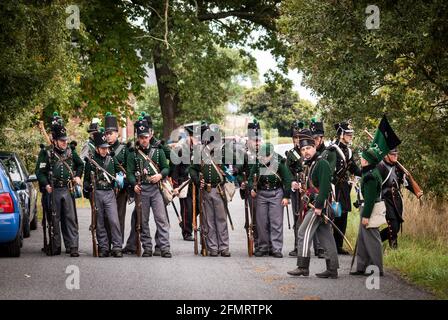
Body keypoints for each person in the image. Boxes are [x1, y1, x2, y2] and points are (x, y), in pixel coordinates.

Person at [287, 129, 339, 278]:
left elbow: (324, 187)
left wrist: (318, 207)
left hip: (318, 205)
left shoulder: (321, 163)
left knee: (303, 232)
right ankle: (332, 268)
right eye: (303, 149)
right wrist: (299, 186)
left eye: (308, 148)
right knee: (325, 236)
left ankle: (302, 267)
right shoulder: (311, 163)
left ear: (315, 147)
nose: (305, 151)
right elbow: (310, 185)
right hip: (315, 204)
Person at [36, 119, 84, 257]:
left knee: (70, 218)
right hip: (54, 190)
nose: (65, 143)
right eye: (62, 140)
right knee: (54, 219)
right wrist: (46, 185)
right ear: (55, 140)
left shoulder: (70, 151)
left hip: (67, 190)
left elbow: (80, 165)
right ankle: (55, 246)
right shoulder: (46, 152)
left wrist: (78, 176)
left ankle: (73, 246)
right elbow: (40, 172)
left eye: (66, 140)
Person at [127, 117, 171, 258]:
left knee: (161, 219)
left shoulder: (158, 151)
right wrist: (134, 184)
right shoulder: (133, 153)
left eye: (145, 137)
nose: (144, 140)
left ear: (150, 136)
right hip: (142, 190)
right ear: (138, 138)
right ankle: (147, 247)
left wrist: (160, 175)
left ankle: (164, 247)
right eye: (141, 137)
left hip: (156, 189)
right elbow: (129, 172)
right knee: (143, 220)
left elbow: (166, 168)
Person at [189, 123, 231, 257]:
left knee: (221, 219)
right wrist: (197, 181)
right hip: (206, 190)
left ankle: (224, 247)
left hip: (219, 189)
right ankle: (212, 247)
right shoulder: (199, 152)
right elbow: (192, 169)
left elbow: (233, 165)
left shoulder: (221, 151)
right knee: (208, 220)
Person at [83, 128, 123, 257]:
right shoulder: (91, 161)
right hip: (97, 193)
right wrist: (88, 188)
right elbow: (86, 180)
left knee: (114, 220)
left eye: (106, 148)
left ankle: (117, 247)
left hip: (109, 192)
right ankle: (104, 247)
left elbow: (120, 171)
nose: (105, 150)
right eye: (102, 148)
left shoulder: (111, 159)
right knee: (99, 222)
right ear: (97, 148)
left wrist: (120, 179)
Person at [249, 143, 292, 258]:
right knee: (261, 222)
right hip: (261, 193)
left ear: (271, 154)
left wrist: (286, 197)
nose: (263, 158)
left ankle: (276, 248)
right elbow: (250, 178)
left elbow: (287, 179)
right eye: (262, 156)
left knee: (276, 222)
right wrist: (251, 188)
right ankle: (263, 247)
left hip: (276, 193)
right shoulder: (258, 162)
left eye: (265, 156)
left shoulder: (280, 162)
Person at [326, 121, 361, 255]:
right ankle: (329, 245)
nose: (350, 136)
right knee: (334, 215)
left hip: (344, 187)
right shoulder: (332, 150)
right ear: (341, 134)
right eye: (348, 134)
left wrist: (367, 171)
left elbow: (354, 169)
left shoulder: (349, 151)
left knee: (343, 215)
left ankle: (338, 245)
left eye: (351, 134)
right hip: (334, 187)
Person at [350, 146, 384, 276]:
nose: (360, 159)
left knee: (372, 240)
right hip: (366, 208)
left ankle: (377, 268)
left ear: (367, 161)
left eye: (362, 158)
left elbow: (370, 199)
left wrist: (366, 216)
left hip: (370, 209)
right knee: (363, 239)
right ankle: (362, 266)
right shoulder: (369, 172)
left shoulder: (370, 176)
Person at [235, 119, 263, 254]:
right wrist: (242, 182)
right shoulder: (244, 154)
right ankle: (258, 244)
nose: (256, 143)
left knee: (266, 219)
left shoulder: (265, 153)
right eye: (254, 140)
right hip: (251, 192)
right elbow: (239, 173)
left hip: (265, 191)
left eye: (258, 140)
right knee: (255, 219)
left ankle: (267, 245)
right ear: (249, 140)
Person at [377, 148, 413, 249]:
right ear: (386, 155)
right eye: (393, 154)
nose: (395, 156)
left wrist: (417, 192)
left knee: (396, 226)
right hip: (385, 199)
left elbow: (405, 183)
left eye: (396, 154)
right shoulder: (380, 166)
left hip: (396, 200)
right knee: (393, 225)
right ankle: (393, 248)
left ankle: (375, 241)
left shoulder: (397, 167)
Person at [104, 112, 129, 243]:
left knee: (119, 217)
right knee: (107, 217)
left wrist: (123, 184)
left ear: (117, 133)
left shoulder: (124, 149)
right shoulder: (102, 149)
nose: (108, 136)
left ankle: (118, 243)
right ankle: (106, 243)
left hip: (121, 189)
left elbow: (128, 169)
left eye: (110, 133)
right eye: (106, 134)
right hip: (106, 189)